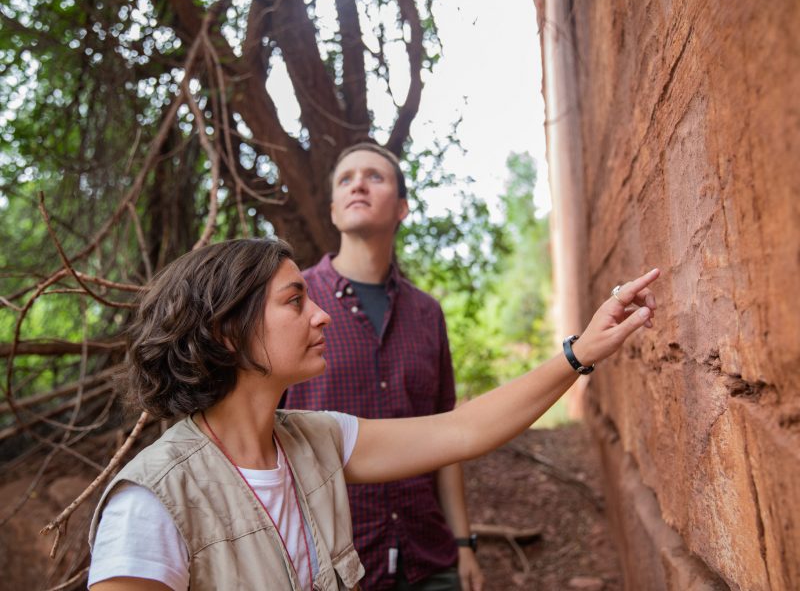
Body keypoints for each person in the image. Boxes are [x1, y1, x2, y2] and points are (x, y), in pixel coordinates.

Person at [87, 237, 659, 591]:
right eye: (294, 301)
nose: (321, 316)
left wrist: (580, 352)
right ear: (226, 333)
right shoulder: (153, 502)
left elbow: (463, 429)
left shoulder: (317, 441)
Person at [281, 143, 482, 591]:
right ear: (333, 210)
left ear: (403, 208)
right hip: (330, 564)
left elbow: (446, 434)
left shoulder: (427, 313)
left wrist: (464, 543)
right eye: (346, 179)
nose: (358, 184)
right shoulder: (294, 304)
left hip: (429, 557)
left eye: (375, 176)